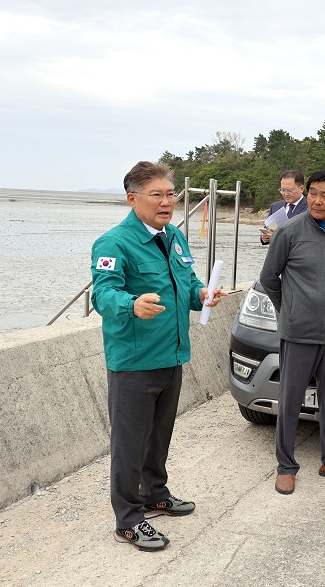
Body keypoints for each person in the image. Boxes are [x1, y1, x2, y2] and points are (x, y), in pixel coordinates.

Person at [91, 161, 226, 551]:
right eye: (158, 195)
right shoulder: (113, 243)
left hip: (172, 357)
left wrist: (202, 294)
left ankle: (154, 493)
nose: (167, 202)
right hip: (134, 362)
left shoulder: (175, 238)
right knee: (129, 443)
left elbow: (187, 282)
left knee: (159, 436)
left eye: (171, 194)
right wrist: (132, 304)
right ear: (133, 199)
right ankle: (128, 519)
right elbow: (102, 294)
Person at [260, 170, 325, 494]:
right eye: (313, 193)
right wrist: (289, 311)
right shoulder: (288, 232)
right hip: (298, 333)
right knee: (290, 402)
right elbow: (269, 279)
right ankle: (286, 466)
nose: (316, 200)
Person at [260, 169, 307, 245]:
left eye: (289, 190)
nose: (286, 194)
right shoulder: (275, 206)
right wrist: (264, 238)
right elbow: (267, 228)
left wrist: (278, 237)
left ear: (301, 188)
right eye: (283, 190)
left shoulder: (310, 208)